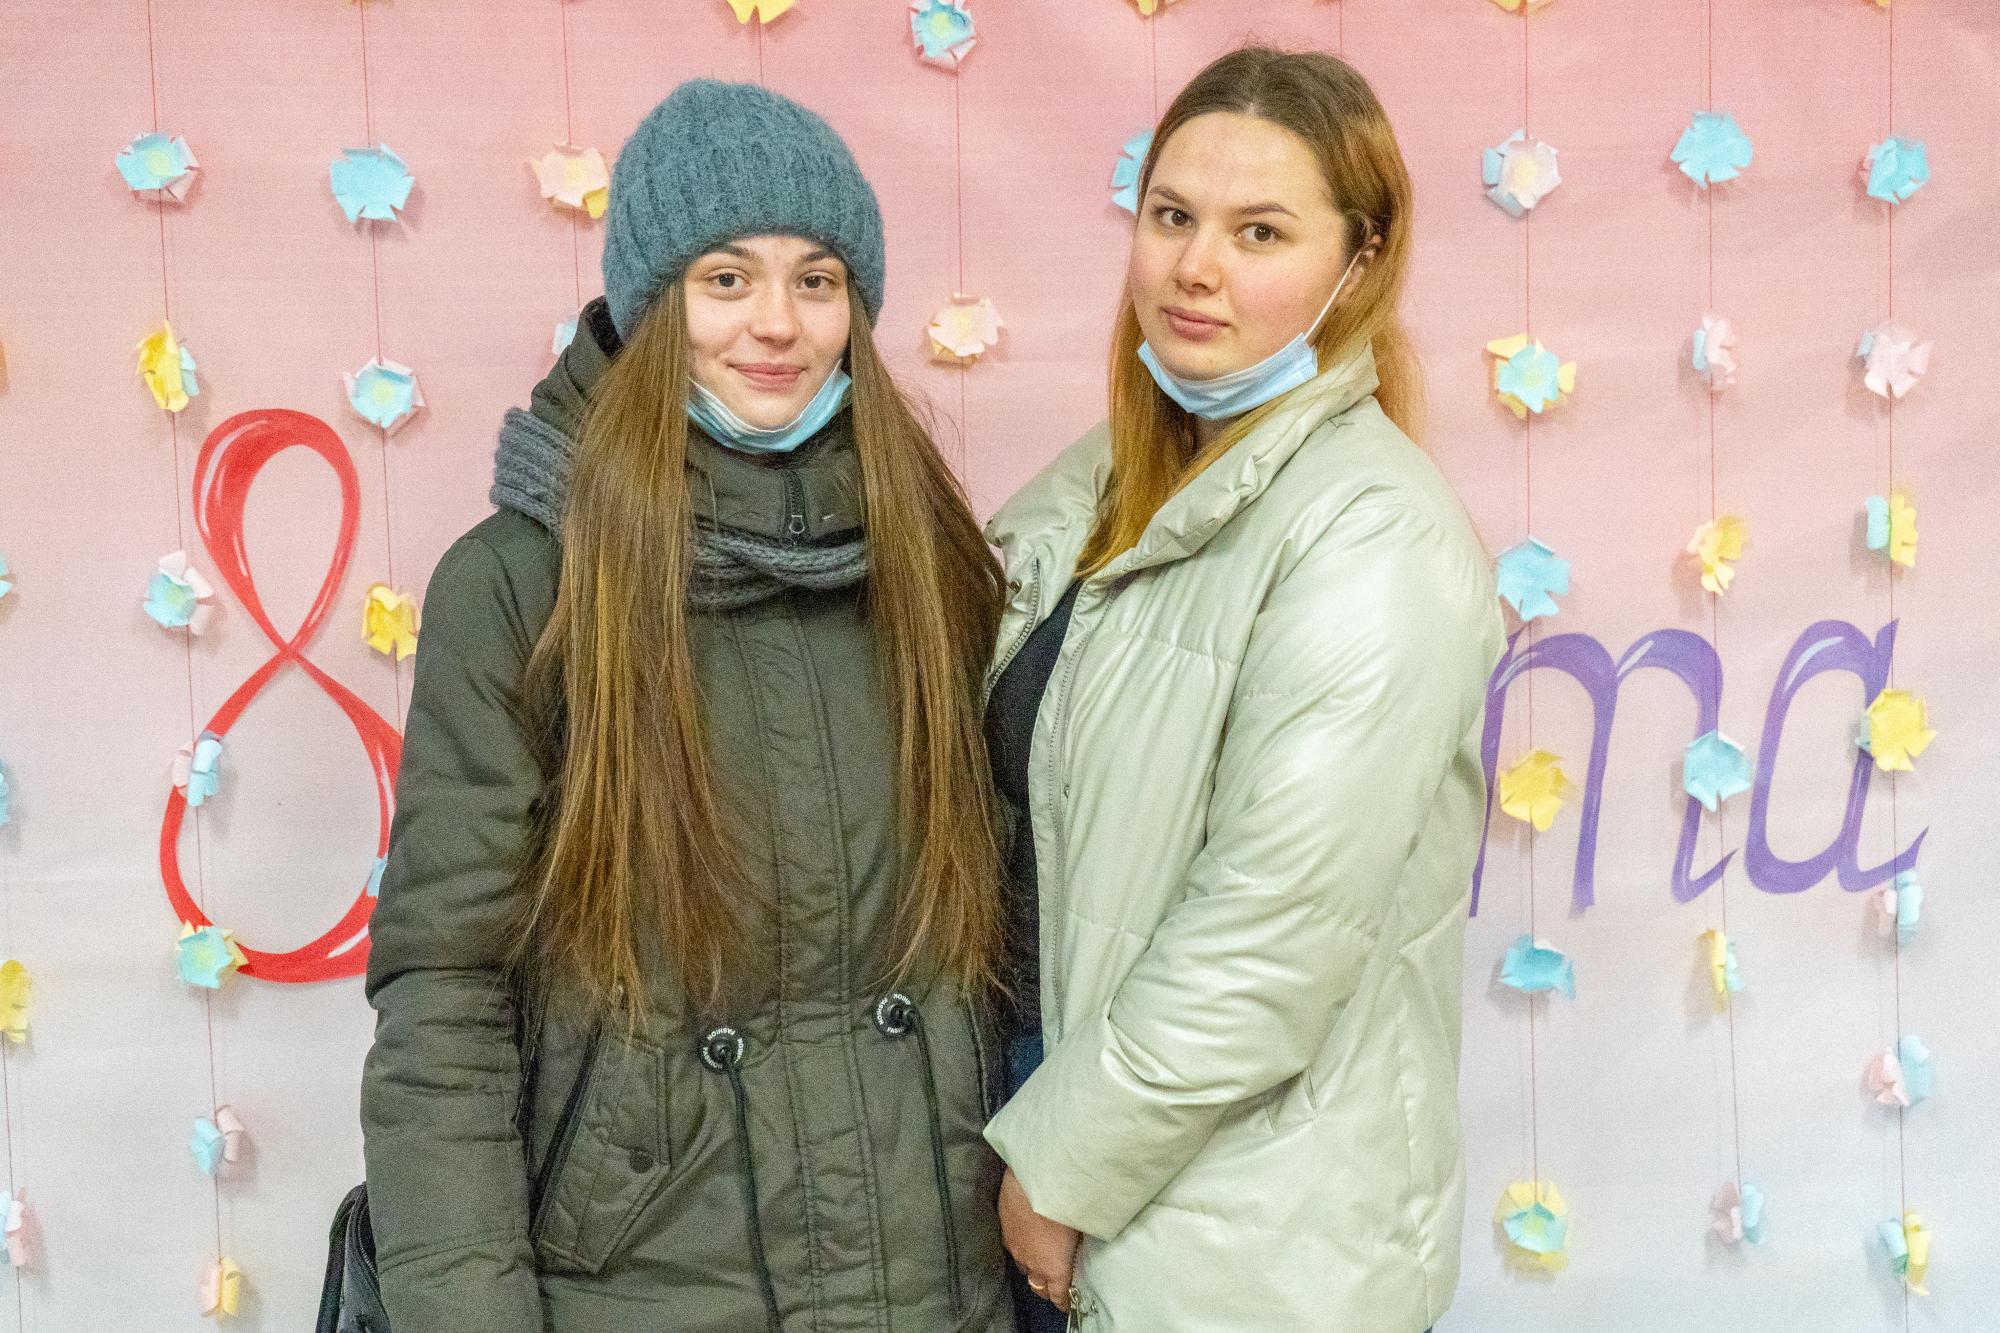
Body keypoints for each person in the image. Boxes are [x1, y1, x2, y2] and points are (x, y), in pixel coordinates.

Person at [360, 80, 1014, 1333]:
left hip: (931, 1280)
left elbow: (1008, 936)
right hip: (645, 1285)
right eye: (726, 278)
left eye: (816, 280)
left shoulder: (932, 565)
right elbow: (446, 995)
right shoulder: (523, 583)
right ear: (649, 305)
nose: (777, 323)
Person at [980, 47, 1505, 1332]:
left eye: (1257, 231)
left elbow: (1268, 935)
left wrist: (1059, 1168)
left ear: (1359, 261)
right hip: (1051, 1127)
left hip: (1235, 1245)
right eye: (1171, 216)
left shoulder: (1375, 536)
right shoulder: (1098, 482)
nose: (1193, 267)